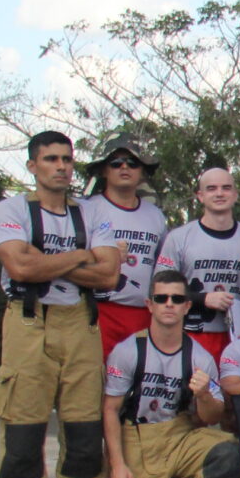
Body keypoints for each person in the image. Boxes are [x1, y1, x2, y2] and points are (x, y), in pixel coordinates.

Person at [0, 130, 122, 478]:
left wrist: (46, 261)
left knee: (85, 435)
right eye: (50, 159)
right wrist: (80, 257)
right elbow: (19, 266)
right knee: (24, 433)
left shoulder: (91, 213)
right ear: (33, 166)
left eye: (66, 158)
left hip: (81, 324)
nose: (61, 166)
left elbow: (107, 277)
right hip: (29, 324)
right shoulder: (12, 209)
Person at [102, 269, 240, 478]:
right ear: (149, 305)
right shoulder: (128, 351)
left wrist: (203, 394)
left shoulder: (200, 356)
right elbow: (110, 410)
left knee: (228, 451)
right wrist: (117, 465)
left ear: (187, 306)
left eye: (177, 298)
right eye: (162, 298)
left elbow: (212, 417)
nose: (169, 304)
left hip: (179, 435)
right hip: (138, 436)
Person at [155, 166, 240, 363]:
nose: (219, 193)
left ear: (235, 194)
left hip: (238, 337)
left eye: (226, 188)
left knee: (233, 392)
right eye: (211, 188)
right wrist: (203, 298)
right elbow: (159, 289)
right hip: (191, 333)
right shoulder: (179, 238)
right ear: (200, 196)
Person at [82, 134, 170, 357]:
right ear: (104, 170)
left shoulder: (155, 215)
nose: (124, 167)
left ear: (142, 171)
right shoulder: (88, 209)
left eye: (133, 163)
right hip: (98, 310)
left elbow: (163, 266)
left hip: (143, 312)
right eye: (116, 163)